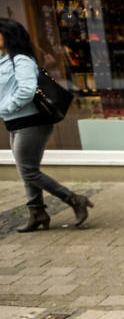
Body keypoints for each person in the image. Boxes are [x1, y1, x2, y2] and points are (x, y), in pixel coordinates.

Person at [0, 17, 92, 232]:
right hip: (15, 122)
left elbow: (26, 90)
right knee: (26, 170)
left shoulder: (21, 60)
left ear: (8, 35)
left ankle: (74, 199)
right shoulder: (4, 60)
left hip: (32, 122)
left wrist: (4, 109)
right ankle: (38, 212)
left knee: (28, 171)